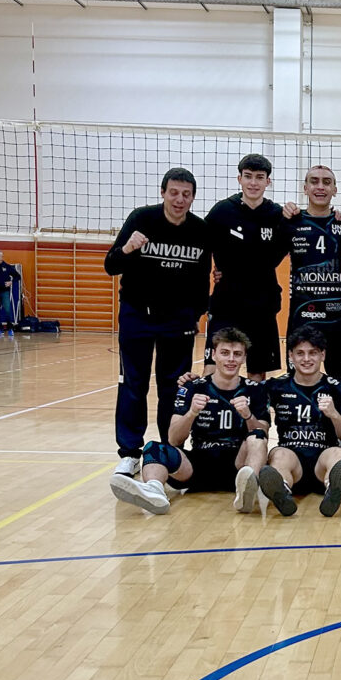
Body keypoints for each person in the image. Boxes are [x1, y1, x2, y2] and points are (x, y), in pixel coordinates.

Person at [104, 168, 212, 479]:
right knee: (133, 384)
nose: (179, 199)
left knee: (173, 388)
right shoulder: (141, 219)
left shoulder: (200, 230)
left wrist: (195, 315)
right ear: (163, 192)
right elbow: (111, 265)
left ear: (193, 197)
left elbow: (202, 278)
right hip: (137, 315)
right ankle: (129, 453)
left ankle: (169, 449)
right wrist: (128, 248)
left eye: (186, 194)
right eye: (174, 192)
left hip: (177, 320)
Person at [108, 328, 269, 515]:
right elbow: (173, 439)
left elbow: (263, 433)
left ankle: (247, 491)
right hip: (198, 464)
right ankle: (154, 490)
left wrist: (248, 416)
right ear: (213, 355)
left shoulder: (255, 390)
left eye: (237, 354)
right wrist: (192, 413)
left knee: (257, 438)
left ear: (244, 358)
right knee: (154, 448)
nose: (231, 359)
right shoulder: (193, 387)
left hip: (238, 465)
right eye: (225, 353)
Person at [202, 154, 288, 382]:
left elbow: (283, 251)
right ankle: (209, 405)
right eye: (248, 176)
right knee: (213, 367)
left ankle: (253, 407)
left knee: (258, 373)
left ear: (268, 181)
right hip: (226, 303)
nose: (253, 183)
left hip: (262, 305)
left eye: (259, 177)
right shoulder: (221, 212)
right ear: (239, 179)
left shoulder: (277, 215)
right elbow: (201, 248)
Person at [259, 326, 341, 518]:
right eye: (300, 353)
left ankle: (333, 490)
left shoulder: (337, 390)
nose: (306, 359)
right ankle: (282, 491)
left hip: (323, 461)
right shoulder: (275, 386)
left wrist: (334, 414)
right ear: (290, 356)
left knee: (339, 453)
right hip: (292, 460)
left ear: (322, 355)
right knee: (278, 453)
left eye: (313, 353)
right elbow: (241, 389)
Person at [284, 165, 341, 381]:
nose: (320, 187)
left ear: (335, 189)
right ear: (305, 188)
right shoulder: (290, 223)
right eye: (314, 181)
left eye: (326, 182)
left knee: (340, 382)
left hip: (337, 320)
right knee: (298, 381)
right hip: (302, 318)